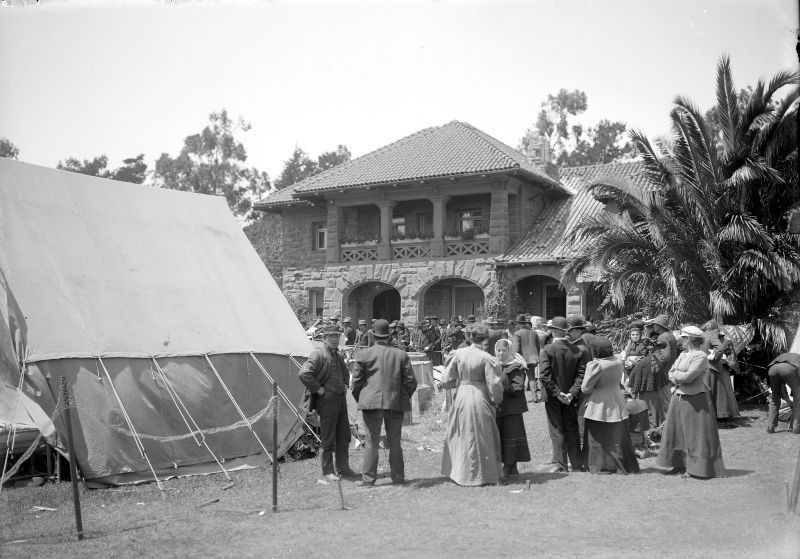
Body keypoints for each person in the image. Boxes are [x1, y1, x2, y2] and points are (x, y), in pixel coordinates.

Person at [351, 319, 418, 486]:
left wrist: (362, 398)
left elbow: (356, 383)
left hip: (371, 402)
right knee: (395, 442)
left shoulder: (364, 354)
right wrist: (403, 396)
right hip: (394, 402)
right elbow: (411, 382)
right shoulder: (401, 354)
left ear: (372, 335)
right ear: (389, 336)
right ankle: (398, 477)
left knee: (371, 442)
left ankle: (368, 479)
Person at [657, 325, 726, 479]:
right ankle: (678, 464)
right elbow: (670, 372)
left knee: (694, 434)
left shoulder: (700, 356)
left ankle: (695, 468)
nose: (681, 340)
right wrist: (677, 375)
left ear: (690, 339)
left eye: (683, 337)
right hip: (678, 397)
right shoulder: (683, 354)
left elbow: (689, 377)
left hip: (695, 399)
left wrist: (677, 376)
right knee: (677, 432)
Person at [440, 325, 504, 486]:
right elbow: (494, 385)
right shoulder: (486, 358)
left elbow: (446, 380)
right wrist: (496, 400)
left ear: (469, 337)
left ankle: (461, 473)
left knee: (461, 434)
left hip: (462, 395)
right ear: (485, 339)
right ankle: (483, 475)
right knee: (482, 435)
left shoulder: (458, 354)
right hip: (480, 397)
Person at [298, 324, 356, 481]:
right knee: (328, 438)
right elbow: (304, 373)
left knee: (344, 435)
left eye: (337, 336)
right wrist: (319, 389)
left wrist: (344, 384)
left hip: (340, 400)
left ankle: (343, 468)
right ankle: (327, 471)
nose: (334, 339)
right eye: (331, 336)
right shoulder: (318, 355)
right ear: (324, 338)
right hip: (327, 402)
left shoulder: (337, 355)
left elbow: (344, 373)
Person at [580, 337, 640, 475]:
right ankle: (621, 465)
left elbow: (585, 388)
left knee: (598, 438)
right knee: (618, 438)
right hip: (617, 401)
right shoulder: (618, 360)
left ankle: (601, 465)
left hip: (599, 404)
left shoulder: (596, 365)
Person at [539, 316, 586, 473]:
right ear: (565, 331)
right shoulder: (576, 351)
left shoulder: (547, 350)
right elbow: (581, 375)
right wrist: (571, 393)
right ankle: (577, 465)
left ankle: (562, 465)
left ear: (553, 331)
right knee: (571, 429)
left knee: (557, 430)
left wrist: (558, 393)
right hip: (568, 397)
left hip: (554, 397)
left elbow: (544, 376)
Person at [494, 338, 531, 476]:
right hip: (499, 409)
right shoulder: (495, 365)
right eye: (498, 350)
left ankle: (510, 466)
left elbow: (518, 387)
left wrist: (499, 388)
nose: (501, 354)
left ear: (510, 351)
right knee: (501, 437)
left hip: (512, 409)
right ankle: (508, 466)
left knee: (511, 437)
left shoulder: (516, 366)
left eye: (504, 350)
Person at [702, 320, 740, 422]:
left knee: (722, 391)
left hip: (720, 366)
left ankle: (724, 413)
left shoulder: (724, 340)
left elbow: (730, 355)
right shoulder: (710, 337)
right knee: (719, 391)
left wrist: (717, 357)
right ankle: (721, 413)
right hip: (716, 366)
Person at [766, 353, 800, 434]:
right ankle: (796, 428)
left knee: (775, 398)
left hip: (772, 369)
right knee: (798, 398)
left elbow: (782, 389)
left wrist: (789, 400)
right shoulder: (797, 360)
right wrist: (794, 396)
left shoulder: (792, 356)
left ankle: (770, 427)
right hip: (789, 368)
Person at [512, 313, 542, 401]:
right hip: (533, 358)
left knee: (520, 377)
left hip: (522, 358)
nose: (516, 325)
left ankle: (520, 398)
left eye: (517, 323)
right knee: (532, 377)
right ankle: (535, 397)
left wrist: (514, 359)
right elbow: (538, 346)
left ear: (519, 324)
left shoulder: (517, 333)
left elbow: (516, 348)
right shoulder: (534, 332)